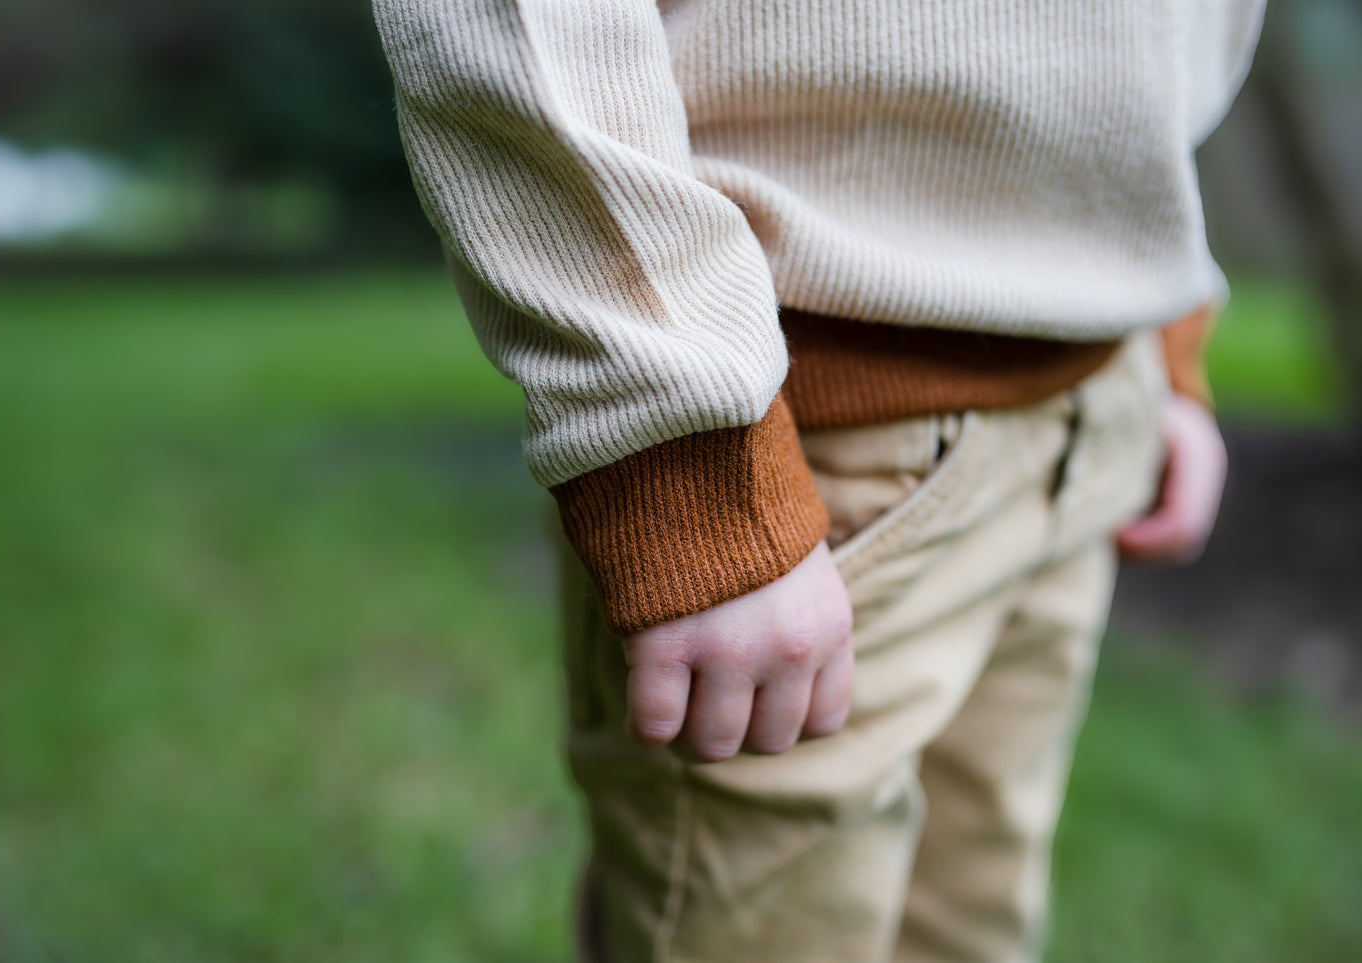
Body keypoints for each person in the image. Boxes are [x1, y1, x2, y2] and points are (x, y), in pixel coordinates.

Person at [374, 2, 1262, 959]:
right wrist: (695, 472)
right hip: (799, 464)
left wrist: (1162, 332)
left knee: (972, 928)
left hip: (1093, 397)